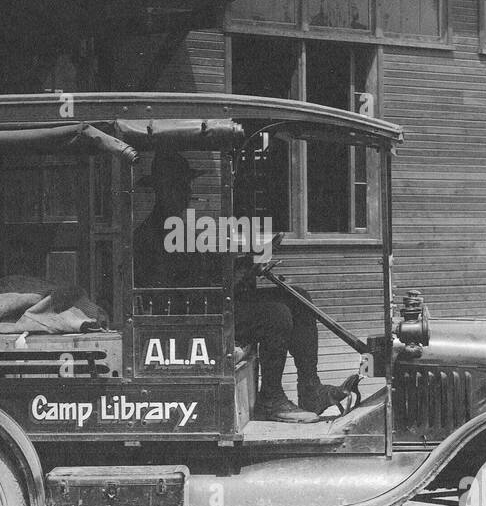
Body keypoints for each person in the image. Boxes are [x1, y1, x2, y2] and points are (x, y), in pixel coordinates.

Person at [133, 151, 355, 423]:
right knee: (275, 315)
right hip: (189, 318)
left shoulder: (179, 227)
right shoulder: (149, 235)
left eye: (186, 185)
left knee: (298, 298)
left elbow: (209, 268)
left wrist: (248, 262)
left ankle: (311, 389)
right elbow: (181, 289)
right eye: (180, 186)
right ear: (161, 190)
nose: (186, 192)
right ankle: (271, 398)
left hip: (210, 303)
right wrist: (239, 272)